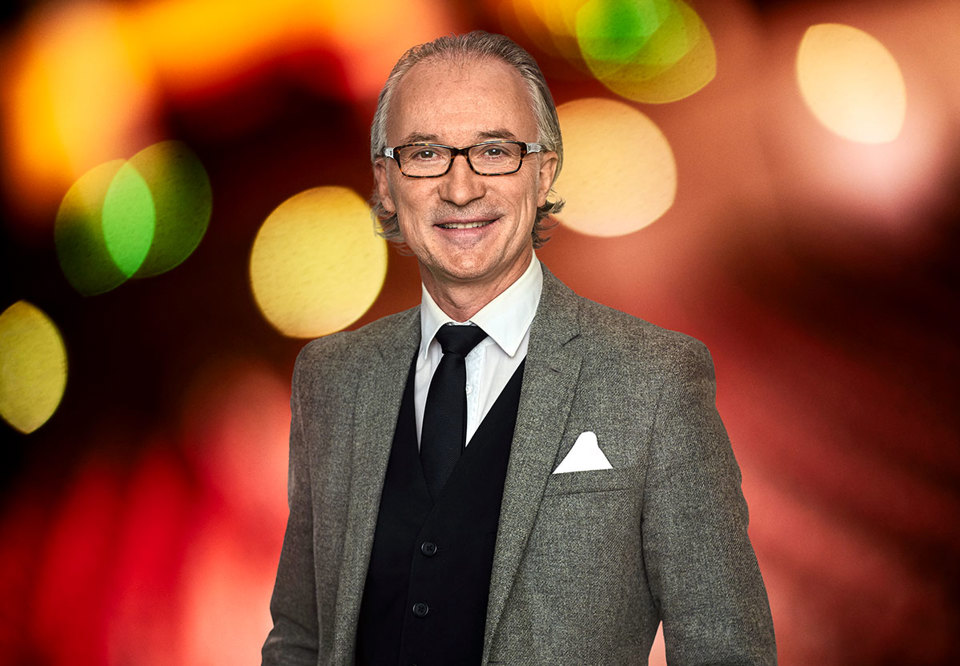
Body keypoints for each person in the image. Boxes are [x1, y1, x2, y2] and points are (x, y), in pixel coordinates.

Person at [262, 31, 776, 665]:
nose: (460, 188)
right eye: (424, 153)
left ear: (544, 170)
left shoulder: (657, 381)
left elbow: (725, 647)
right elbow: (299, 638)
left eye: (495, 151)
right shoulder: (330, 379)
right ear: (386, 184)